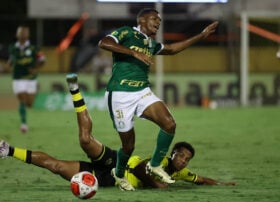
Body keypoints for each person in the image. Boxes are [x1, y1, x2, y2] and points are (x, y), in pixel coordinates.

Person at [0, 74, 236, 190]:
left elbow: (201, 179)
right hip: (118, 162)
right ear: (172, 153)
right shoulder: (161, 161)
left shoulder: (181, 174)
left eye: (187, 159)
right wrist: (158, 186)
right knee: (85, 140)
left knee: (57, 167)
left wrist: (223, 184)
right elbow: (140, 168)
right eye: (181, 155)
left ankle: (8, 150)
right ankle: (75, 92)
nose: (183, 161)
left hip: (108, 180)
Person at [98, 8, 219, 190]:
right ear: (142, 20)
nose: (158, 23)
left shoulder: (150, 43)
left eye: (160, 21)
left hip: (142, 91)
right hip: (120, 94)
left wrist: (201, 36)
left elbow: (171, 49)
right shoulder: (127, 32)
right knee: (128, 146)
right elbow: (104, 42)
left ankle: (154, 165)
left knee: (169, 124)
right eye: (155, 19)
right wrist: (133, 53)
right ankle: (119, 173)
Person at [7, 25, 46, 133]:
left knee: (29, 104)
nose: (23, 34)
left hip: (31, 79)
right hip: (18, 78)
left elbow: (42, 60)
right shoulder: (12, 48)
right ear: (17, 35)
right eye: (21, 32)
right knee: (22, 99)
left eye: (24, 32)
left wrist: (36, 68)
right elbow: (11, 60)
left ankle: (36, 90)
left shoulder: (34, 48)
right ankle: (24, 124)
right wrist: (8, 65)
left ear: (28, 35)